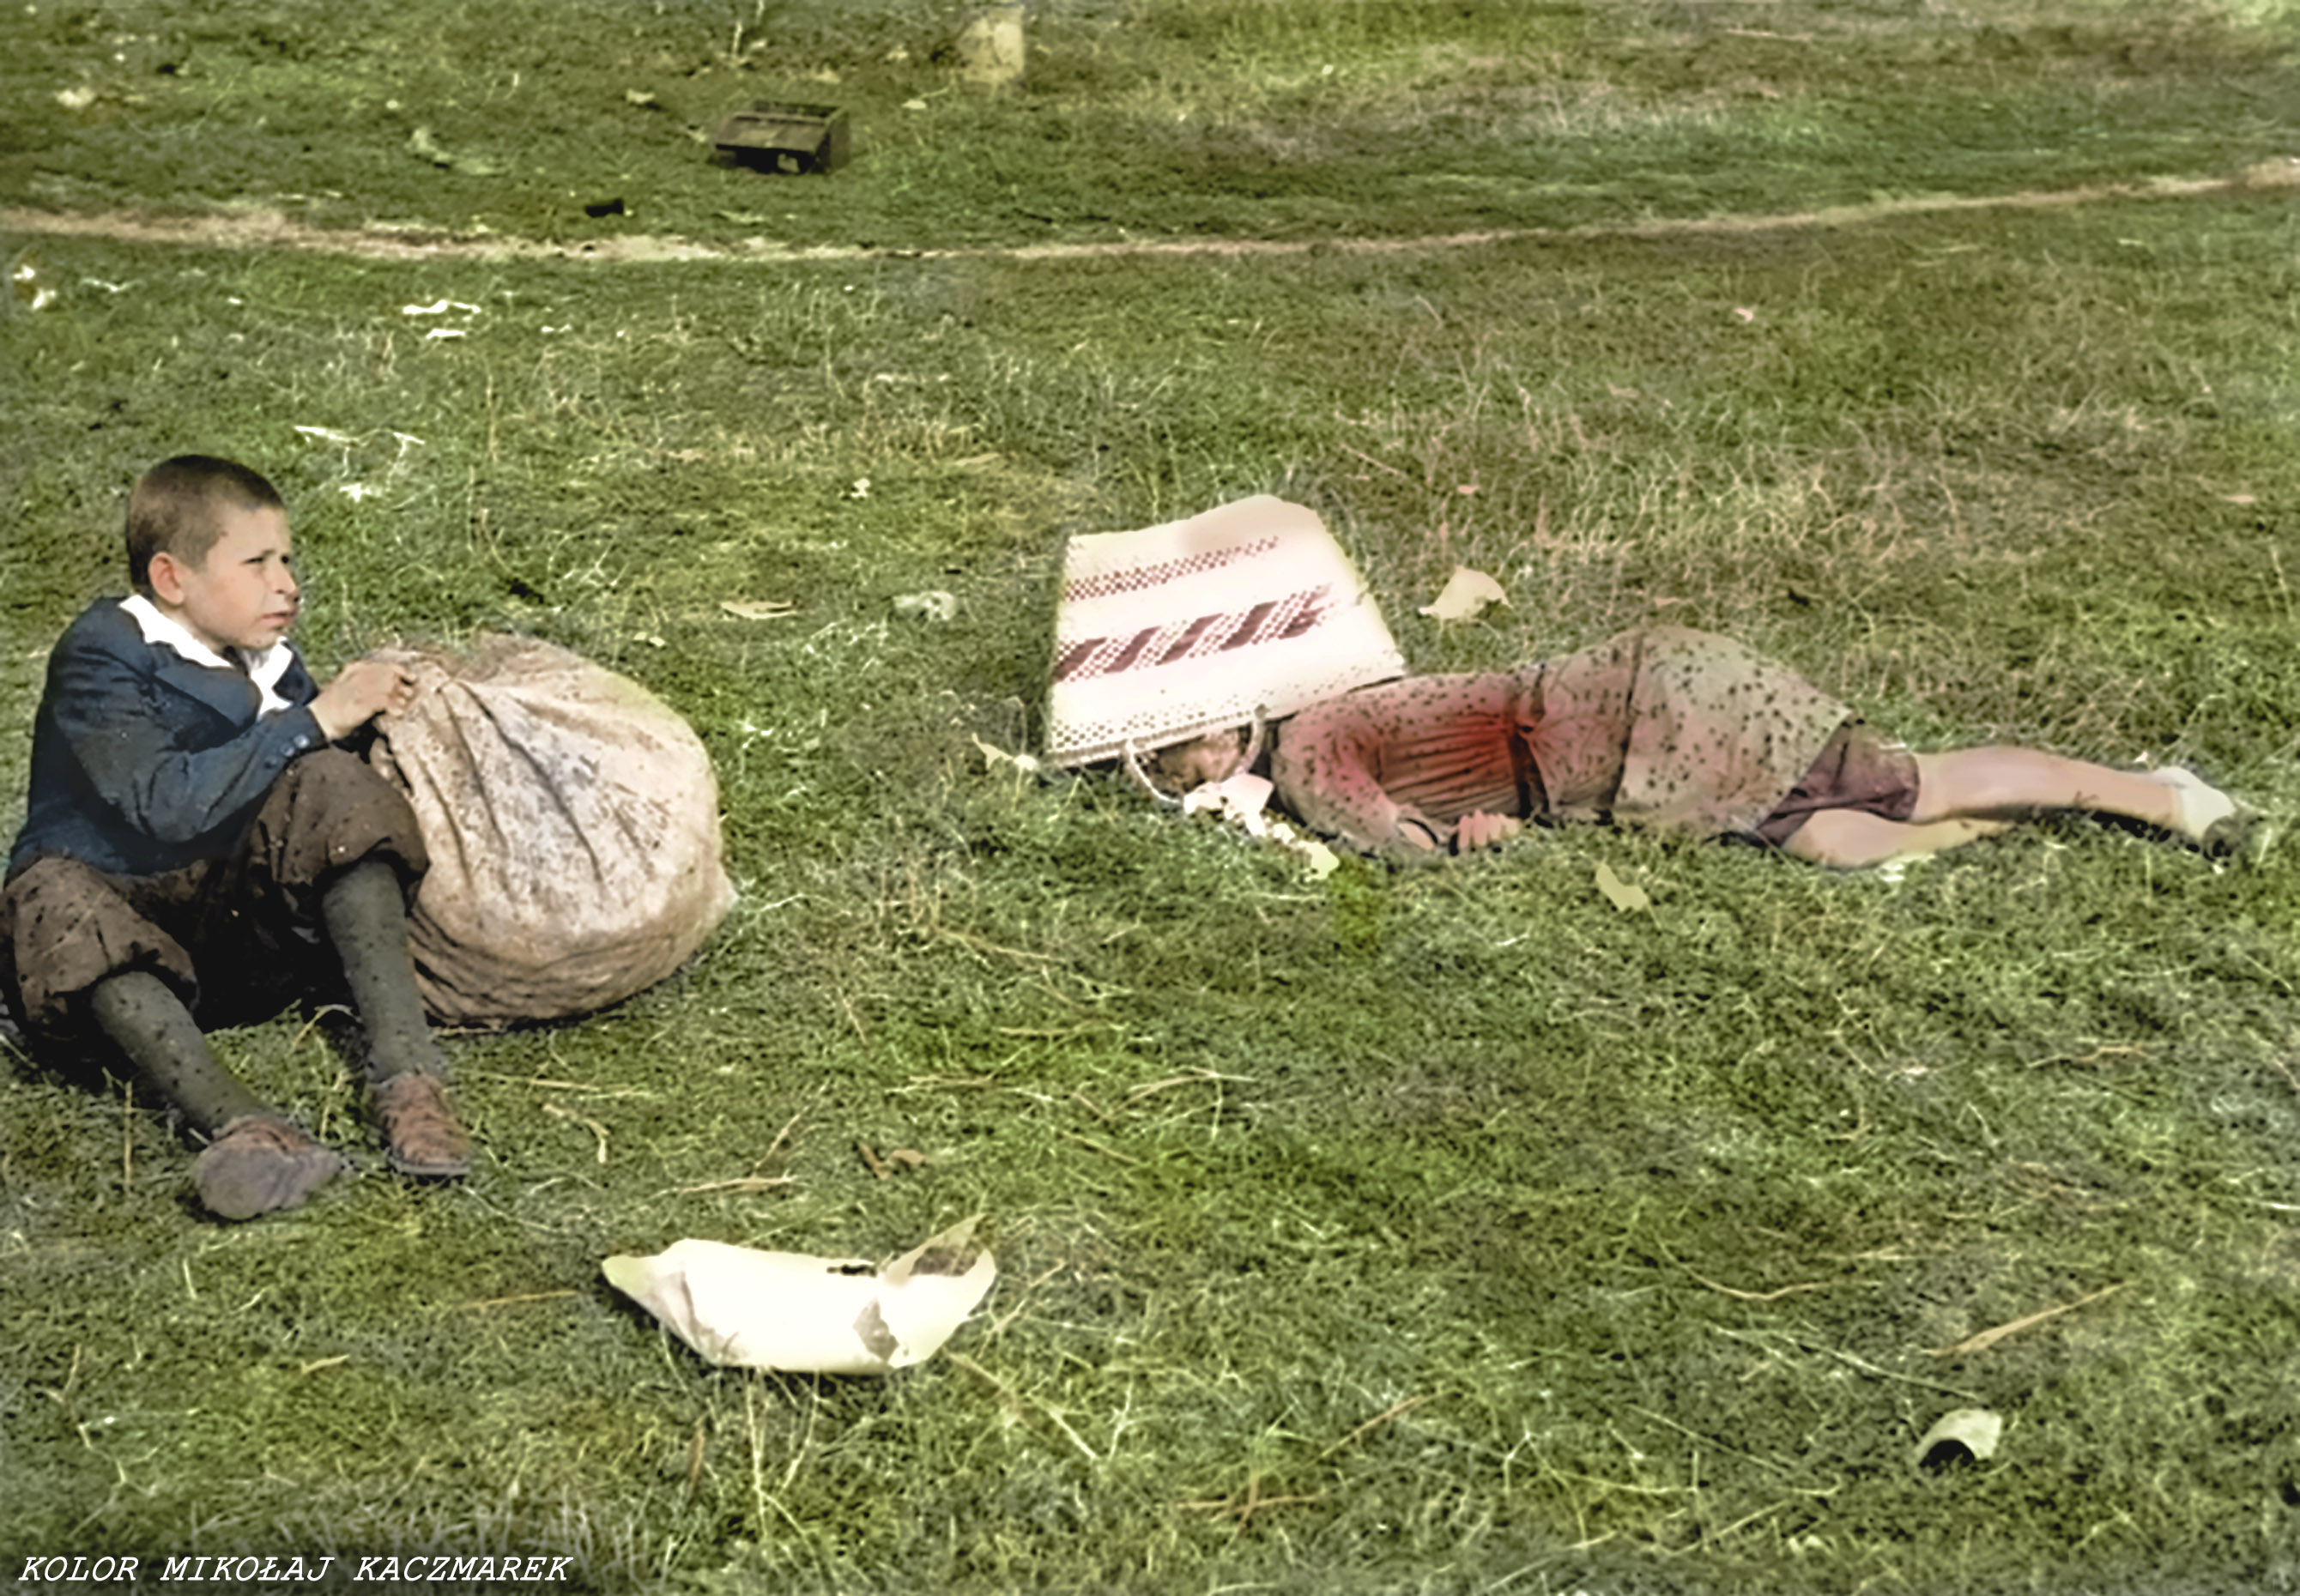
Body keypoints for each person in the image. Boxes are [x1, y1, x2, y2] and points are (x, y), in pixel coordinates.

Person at [0, 455, 473, 1221]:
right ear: (171, 578)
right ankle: (242, 1126)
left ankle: (410, 1082)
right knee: (51, 898)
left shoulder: (272, 665)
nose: (286, 582)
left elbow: (314, 805)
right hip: (119, 943)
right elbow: (163, 804)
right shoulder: (103, 652)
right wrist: (317, 718)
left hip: (235, 936)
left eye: (286, 560)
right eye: (256, 563)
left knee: (335, 785)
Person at [1140, 625, 2253, 869]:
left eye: (1179, 748)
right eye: (1168, 762)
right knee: (1835, 847)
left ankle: (2163, 799)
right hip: (1646, 721)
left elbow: (1407, 856)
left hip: (1651, 725)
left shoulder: (1305, 758)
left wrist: (1455, 847)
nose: (1191, 762)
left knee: (1912, 789)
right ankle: (2050, 831)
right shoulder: (1329, 690)